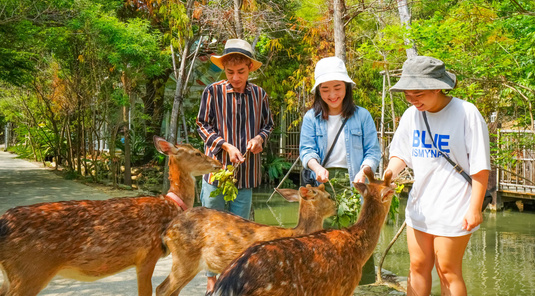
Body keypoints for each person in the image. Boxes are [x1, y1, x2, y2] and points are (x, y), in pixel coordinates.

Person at [385, 56, 490, 295]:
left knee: (448, 270)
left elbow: (480, 166)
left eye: (418, 94)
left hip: (455, 205)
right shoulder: (412, 115)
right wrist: (387, 176)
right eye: (407, 95)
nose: (412, 101)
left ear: (437, 87)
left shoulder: (466, 113)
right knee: (417, 266)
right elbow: (401, 154)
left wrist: (475, 208)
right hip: (420, 205)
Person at [196, 38, 274, 293]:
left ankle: (234, 282)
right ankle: (211, 281)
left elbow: (268, 125)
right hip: (217, 173)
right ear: (224, 70)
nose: (236, 77)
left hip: (247, 175)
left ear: (250, 68)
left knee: (240, 231)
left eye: (241, 72)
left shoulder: (259, 94)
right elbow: (202, 125)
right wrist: (225, 146)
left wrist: (259, 139)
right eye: (230, 72)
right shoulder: (212, 92)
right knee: (213, 229)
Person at [299, 56, 381, 284]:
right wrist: (316, 167)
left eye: (337, 88)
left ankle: (360, 283)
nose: (332, 94)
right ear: (318, 92)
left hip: (355, 182)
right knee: (320, 238)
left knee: (358, 237)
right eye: (325, 89)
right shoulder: (311, 118)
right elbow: (306, 151)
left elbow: (373, 152)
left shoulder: (362, 115)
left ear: (346, 87)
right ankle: (323, 282)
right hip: (322, 183)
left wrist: (364, 171)